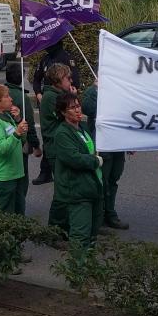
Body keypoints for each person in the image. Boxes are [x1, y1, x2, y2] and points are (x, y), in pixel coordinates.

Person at [50, 91, 104, 260]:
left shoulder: (82, 127)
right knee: (80, 234)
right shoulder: (62, 133)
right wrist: (95, 161)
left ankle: (88, 267)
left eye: (78, 106)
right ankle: (77, 274)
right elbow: (74, 158)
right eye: (72, 108)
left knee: (92, 234)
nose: (77, 110)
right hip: (77, 191)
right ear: (63, 112)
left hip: (92, 187)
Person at [80, 77, 128, 230]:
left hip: (118, 143)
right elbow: (89, 109)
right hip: (103, 144)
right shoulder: (91, 92)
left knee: (113, 179)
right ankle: (99, 217)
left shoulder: (117, 90)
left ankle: (110, 213)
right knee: (103, 181)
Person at [31, 39, 80, 186]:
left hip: (62, 98)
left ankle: (45, 171)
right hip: (49, 99)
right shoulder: (45, 60)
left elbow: (75, 81)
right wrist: (38, 93)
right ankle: (45, 172)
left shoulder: (66, 59)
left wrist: (72, 96)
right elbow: (36, 79)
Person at [0, 83, 30, 214]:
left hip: (16, 174)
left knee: (19, 213)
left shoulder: (7, 116)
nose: (11, 99)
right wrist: (17, 133)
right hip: (3, 177)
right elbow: (1, 149)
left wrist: (19, 121)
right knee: (4, 216)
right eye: (7, 96)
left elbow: (21, 141)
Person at [38, 63, 74, 232]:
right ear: (59, 80)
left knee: (67, 189)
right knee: (62, 191)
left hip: (61, 148)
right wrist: (72, 98)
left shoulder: (59, 94)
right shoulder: (52, 97)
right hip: (55, 149)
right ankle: (55, 229)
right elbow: (67, 117)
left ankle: (65, 225)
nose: (71, 81)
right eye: (68, 78)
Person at [5, 64, 43, 200]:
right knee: (21, 178)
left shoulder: (0, 93)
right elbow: (29, 124)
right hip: (20, 142)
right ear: (21, 77)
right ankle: (18, 210)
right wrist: (36, 146)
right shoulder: (22, 97)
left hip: (4, 143)